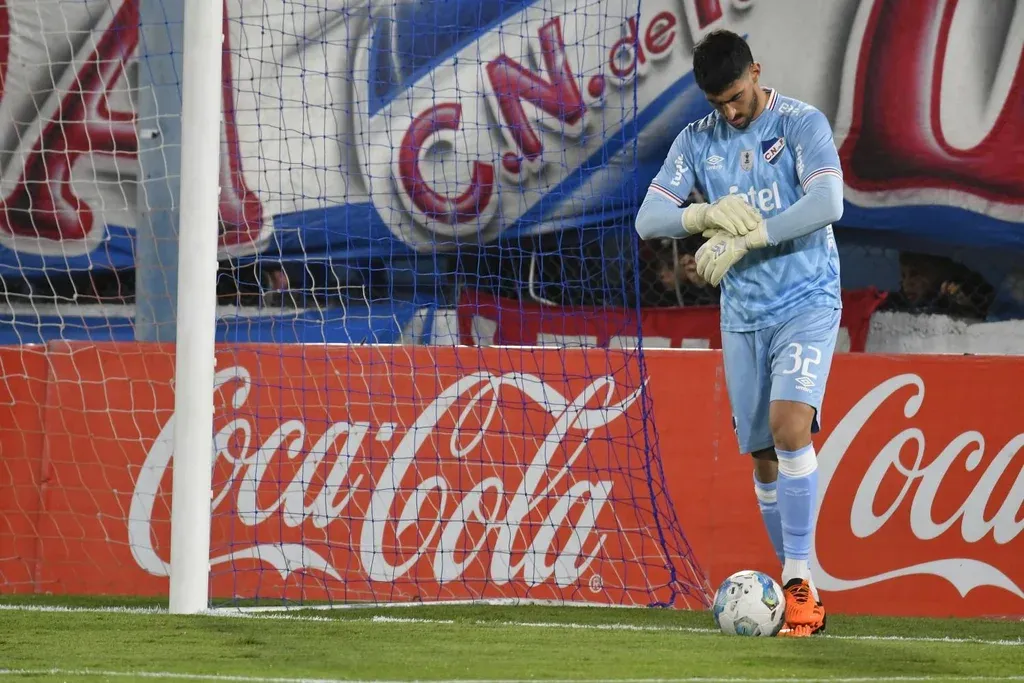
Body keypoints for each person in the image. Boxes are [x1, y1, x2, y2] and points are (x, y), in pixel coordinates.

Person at [634, 30, 844, 637]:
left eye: (736, 97)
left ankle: (799, 583)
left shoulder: (801, 124)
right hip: (744, 314)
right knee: (763, 456)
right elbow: (648, 219)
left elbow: (828, 202)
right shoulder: (697, 141)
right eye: (717, 103)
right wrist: (699, 214)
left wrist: (753, 236)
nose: (729, 112)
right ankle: (795, 587)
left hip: (806, 299)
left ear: (756, 71)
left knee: (789, 427)